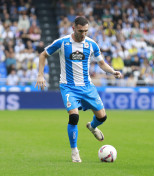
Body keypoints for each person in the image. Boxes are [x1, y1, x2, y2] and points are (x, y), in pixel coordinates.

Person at [35, 16, 122, 163]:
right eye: (81, 31)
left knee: (102, 117)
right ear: (73, 28)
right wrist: (40, 75)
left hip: (87, 86)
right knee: (74, 117)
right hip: (68, 86)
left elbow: (101, 63)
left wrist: (112, 71)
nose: (83, 34)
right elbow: (43, 54)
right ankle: (75, 151)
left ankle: (92, 126)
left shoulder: (91, 44)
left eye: (86, 31)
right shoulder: (62, 43)